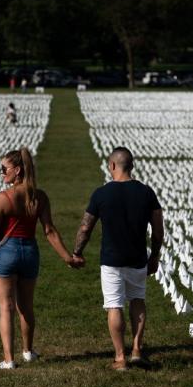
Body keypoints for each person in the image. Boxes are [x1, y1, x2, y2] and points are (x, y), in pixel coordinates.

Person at [0, 148, 79, 369]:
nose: (1, 174)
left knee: (6, 307)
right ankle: (28, 351)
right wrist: (67, 258)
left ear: (17, 171)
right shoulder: (39, 197)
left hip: (7, 253)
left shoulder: (2, 198)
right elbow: (49, 231)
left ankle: (9, 360)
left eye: (4, 169)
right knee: (26, 306)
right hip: (30, 251)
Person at [72, 147, 163, 371]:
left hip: (111, 259)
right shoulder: (146, 193)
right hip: (138, 258)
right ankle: (137, 350)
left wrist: (77, 252)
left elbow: (85, 228)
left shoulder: (101, 193)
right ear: (131, 166)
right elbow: (158, 229)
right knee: (138, 300)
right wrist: (155, 256)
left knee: (114, 306)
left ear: (112, 166)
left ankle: (120, 358)